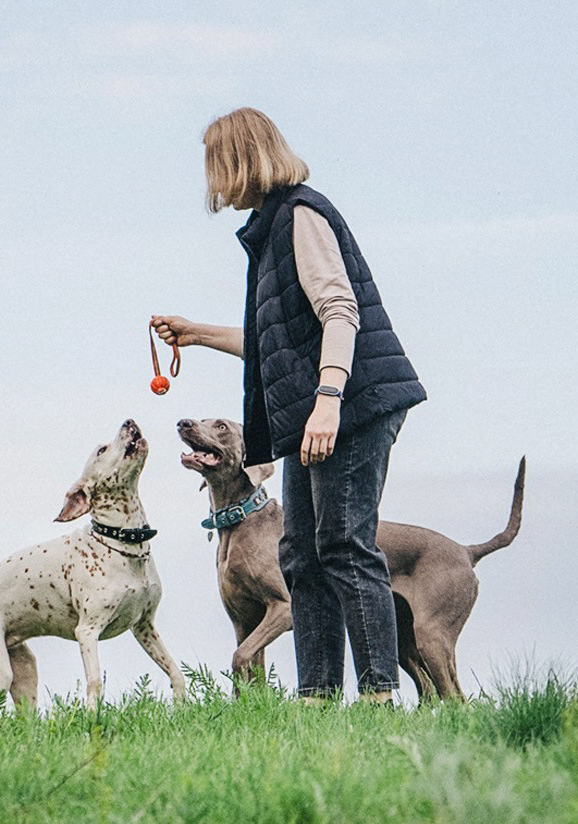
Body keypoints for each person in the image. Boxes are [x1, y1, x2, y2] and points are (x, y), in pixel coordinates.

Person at [152, 108, 425, 703]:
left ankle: (379, 697)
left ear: (240, 160)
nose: (212, 181)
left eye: (216, 164)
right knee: (301, 555)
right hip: (316, 412)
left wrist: (328, 400)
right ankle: (317, 697)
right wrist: (197, 334)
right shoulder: (270, 229)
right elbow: (275, 343)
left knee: (345, 544)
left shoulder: (302, 214)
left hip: (353, 403)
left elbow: (340, 311)